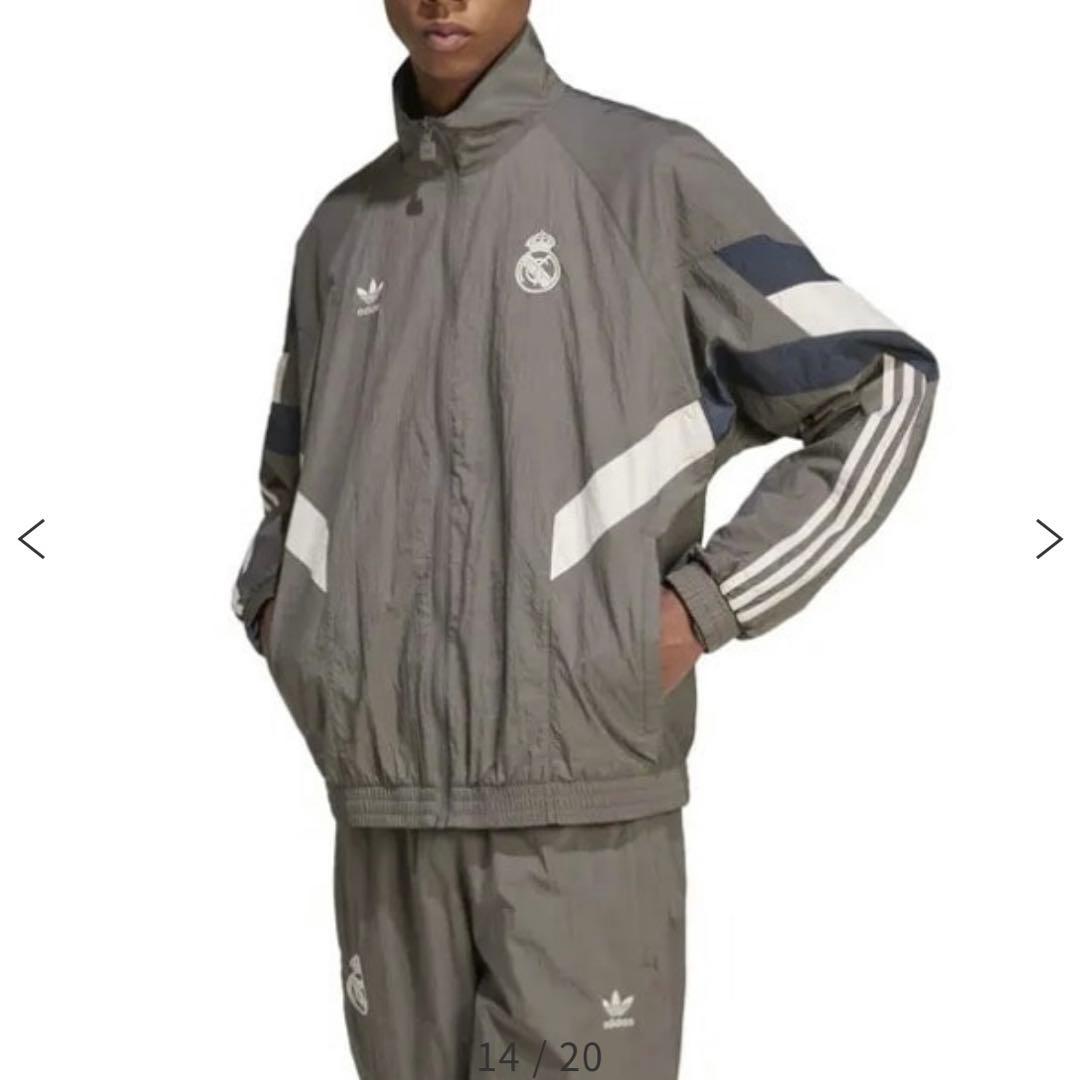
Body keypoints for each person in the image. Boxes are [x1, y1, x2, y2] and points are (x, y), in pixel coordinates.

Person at [231, 2, 939, 1076]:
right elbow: (291, 483)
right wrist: (290, 627)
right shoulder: (341, 230)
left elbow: (881, 389)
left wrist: (704, 607)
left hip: (579, 817)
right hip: (383, 819)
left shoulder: (647, 176)